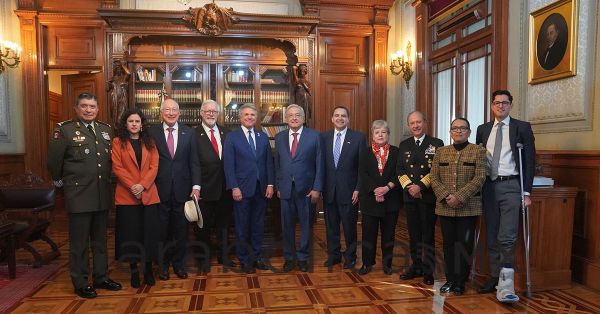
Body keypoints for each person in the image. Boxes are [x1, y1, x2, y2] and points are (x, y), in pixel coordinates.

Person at [47, 92, 122, 298]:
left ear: (97, 109)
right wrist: (61, 184)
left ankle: (101, 277)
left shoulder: (105, 130)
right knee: (79, 243)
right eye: (84, 106)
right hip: (79, 194)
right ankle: (80, 282)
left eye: (92, 107)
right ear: (76, 109)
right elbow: (54, 162)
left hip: (101, 194)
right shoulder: (66, 130)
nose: (89, 110)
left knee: (100, 241)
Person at [476, 90, 536, 301]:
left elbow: (529, 160)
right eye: (497, 103)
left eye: (505, 103)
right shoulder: (482, 129)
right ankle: (493, 276)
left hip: (511, 185)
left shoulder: (522, 127)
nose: (501, 106)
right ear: (492, 106)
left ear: (511, 105)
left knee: (507, 236)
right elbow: (479, 159)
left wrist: (526, 192)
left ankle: (506, 282)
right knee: (491, 234)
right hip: (489, 187)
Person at [430, 118, 486, 296]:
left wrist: (460, 196)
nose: (459, 131)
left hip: (468, 207)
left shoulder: (478, 151)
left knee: (464, 245)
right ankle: (450, 279)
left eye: (463, 128)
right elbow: (434, 177)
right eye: (455, 128)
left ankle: (461, 281)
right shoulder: (441, 151)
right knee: (448, 245)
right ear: (450, 132)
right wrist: (447, 196)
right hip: (445, 206)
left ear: (469, 132)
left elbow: (480, 177)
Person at [149, 99, 201, 280]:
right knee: (161, 231)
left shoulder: (189, 132)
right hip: (158, 189)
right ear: (161, 112)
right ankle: (162, 266)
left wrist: (196, 187)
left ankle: (179, 264)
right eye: (167, 110)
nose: (171, 113)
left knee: (181, 231)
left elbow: (194, 162)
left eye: (174, 110)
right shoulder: (152, 132)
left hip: (183, 190)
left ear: (179, 113)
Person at [223, 103, 275, 273]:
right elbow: (228, 165)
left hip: (261, 189)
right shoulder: (232, 137)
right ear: (240, 117)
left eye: (252, 114)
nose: (250, 117)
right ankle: (244, 258)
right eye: (246, 114)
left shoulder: (262, 136)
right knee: (242, 226)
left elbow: (268, 162)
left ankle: (257, 257)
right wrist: (234, 187)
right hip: (242, 190)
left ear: (256, 117)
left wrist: (270, 184)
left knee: (258, 225)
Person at [112, 108, 160, 287]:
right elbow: (117, 167)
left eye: (137, 121)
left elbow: (154, 166)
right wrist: (133, 186)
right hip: (127, 195)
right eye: (131, 121)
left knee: (148, 234)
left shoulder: (150, 142)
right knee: (131, 235)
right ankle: (133, 271)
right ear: (126, 124)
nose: (134, 124)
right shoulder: (118, 142)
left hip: (148, 194)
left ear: (141, 125)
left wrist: (143, 185)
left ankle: (148, 269)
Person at [274, 104, 324, 272]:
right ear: (286, 119)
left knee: (306, 225)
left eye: (297, 115)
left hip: (307, 190)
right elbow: (277, 165)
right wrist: (278, 185)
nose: (294, 118)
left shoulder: (315, 136)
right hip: (286, 189)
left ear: (303, 118)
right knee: (286, 226)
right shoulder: (279, 137)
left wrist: (317, 188)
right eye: (291, 115)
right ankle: (289, 258)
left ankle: (303, 258)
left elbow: (320, 164)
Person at [396, 111, 444, 285]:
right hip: (410, 197)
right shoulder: (404, 144)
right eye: (412, 123)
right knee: (414, 234)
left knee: (428, 234)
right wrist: (410, 187)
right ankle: (416, 266)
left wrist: (420, 186)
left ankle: (428, 269)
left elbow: (436, 170)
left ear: (425, 122)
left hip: (427, 196)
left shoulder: (436, 143)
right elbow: (400, 169)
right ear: (409, 126)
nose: (415, 126)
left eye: (418, 122)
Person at [321, 106, 367, 269]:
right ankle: (334, 256)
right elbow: (321, 165)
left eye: (343, 116)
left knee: (349, 227)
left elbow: (363, 166)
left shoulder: (359, 137)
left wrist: (358, 188)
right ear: (332, 118)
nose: (340, 118)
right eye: (337, 115)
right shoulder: (324, 137)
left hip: (350, 191)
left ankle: (351, 256)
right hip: (329, 190)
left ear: (348, 119)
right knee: (331, 226)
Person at [194, 99, 235, 272]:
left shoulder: (227, 133)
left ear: (218, 114)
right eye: (208, 111)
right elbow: (193, 163)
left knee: (224, 225)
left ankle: (223, 256)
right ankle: (203, 259)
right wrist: (195, 186)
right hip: (204, 188)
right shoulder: (193, 134)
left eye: (214, 111)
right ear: (201, 113)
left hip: (225, 188)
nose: (211, 114)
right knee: (203, 227)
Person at [357, 120, 401, 276]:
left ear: (388, 134)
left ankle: (387, 264)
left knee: (389, 235)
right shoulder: (365, 152)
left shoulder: (397, 152)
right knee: (368, 234)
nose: (380, 135)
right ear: (372, 135)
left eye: (383, 132)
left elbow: (399, 173)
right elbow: (363, 174)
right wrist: (376, 190)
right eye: (377, 132)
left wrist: (387, 188)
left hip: (391, 199)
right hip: (370, 199)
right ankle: (367, 263)